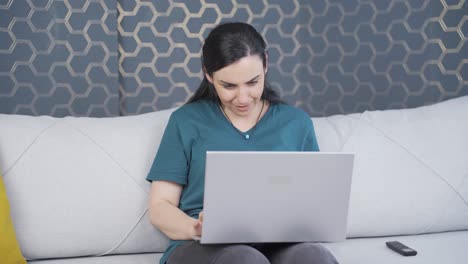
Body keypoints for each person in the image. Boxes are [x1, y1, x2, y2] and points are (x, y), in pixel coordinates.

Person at [146, 22, 339, 264]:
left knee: (313, 256)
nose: (243, 97)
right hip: (203, 245)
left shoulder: (296, 123)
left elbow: (313, 200)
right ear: (208, 74)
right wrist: (197, 228)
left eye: (252, 82)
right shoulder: (186, 121)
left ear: (266, 64)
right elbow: (160, 206)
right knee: (244, 259)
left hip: (280, 242)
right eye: (229, 86)